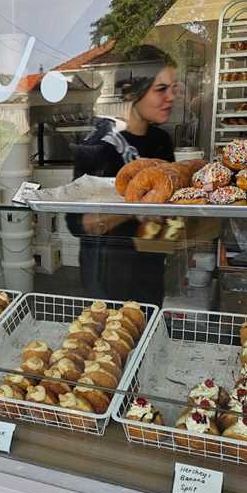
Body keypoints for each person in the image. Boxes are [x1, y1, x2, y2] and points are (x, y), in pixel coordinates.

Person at [66, 48, 179, 306]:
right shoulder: (98, 145)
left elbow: (165, 210)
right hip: (108, 274)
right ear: (132, 92)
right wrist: (133, 207)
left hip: (151, 267)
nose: (171, 97)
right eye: (161, 89)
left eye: (174, 88)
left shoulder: (161, 141)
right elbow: (77, 223)